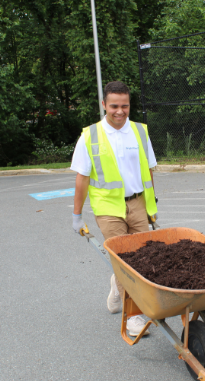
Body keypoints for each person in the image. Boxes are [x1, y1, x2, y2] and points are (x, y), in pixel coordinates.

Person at [70, 81, 158, 337]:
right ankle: (133, 315)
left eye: (125, 106)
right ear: (104, 105)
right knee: (125, 261)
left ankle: (116, 284)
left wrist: (152, 207)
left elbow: (149, 171)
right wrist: (77, 216)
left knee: (144, 257)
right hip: (108, 207)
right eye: (114, 106)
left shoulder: (140, 132)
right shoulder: (90, 136)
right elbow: (82, 178)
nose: (120, 111)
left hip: (138, 203)